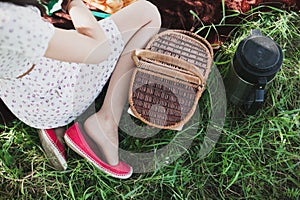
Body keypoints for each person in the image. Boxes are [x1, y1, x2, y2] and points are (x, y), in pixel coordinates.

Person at [0, 0, 161, 179]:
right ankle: (106, 121)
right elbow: (96, 49)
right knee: (147, 14)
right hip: (55, 95)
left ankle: (54, 125)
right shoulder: (10, 19)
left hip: (22, 100)